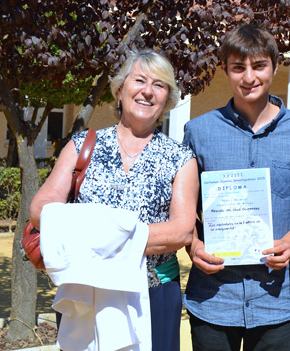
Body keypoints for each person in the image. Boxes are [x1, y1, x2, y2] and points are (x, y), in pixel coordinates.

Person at [29, 49, 199, 351]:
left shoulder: (180, 157)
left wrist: (99, 237)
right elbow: (40, 211)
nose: (148, 91)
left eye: (159, 85)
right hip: (87, 293)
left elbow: (182, 231)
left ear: (167, 99)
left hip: (154, 291)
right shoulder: (83, 145)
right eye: (140, 80)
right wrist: (120, 237)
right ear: (120, 89)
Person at [182, 23, 290, 351]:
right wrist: (192, 244)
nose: (249, 77)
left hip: (276, 301)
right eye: (238, 68)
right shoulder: (198, 132)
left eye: (259, 66)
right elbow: (184, 207)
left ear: (275, 66)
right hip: (213, 299)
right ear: (225, 70)